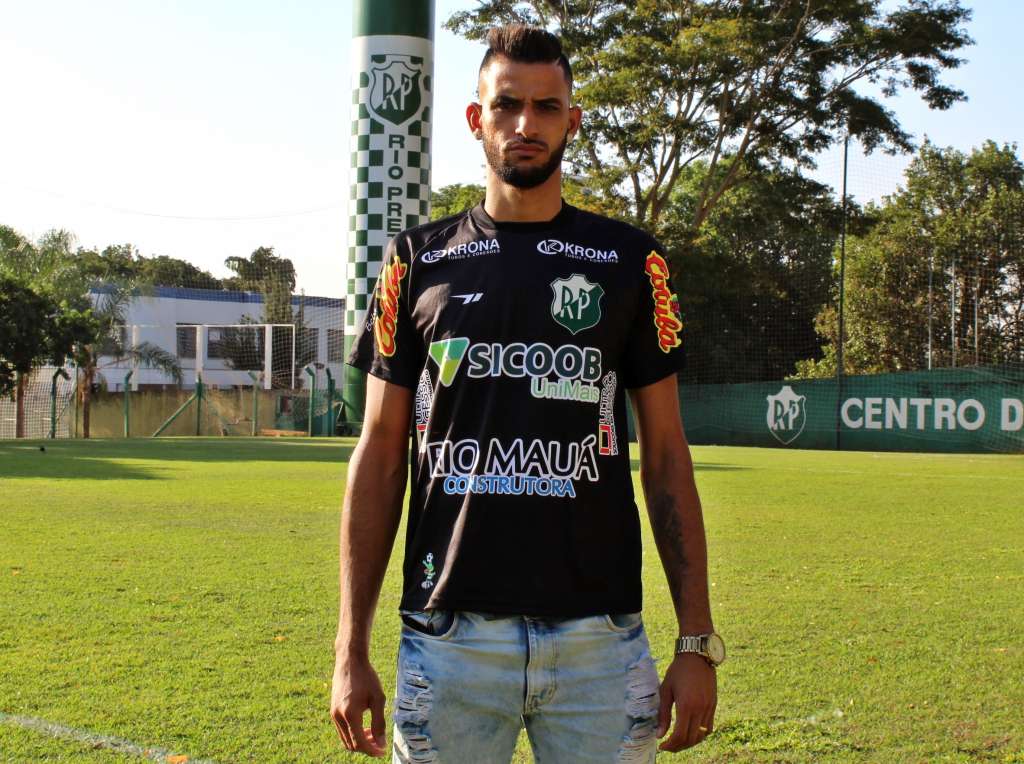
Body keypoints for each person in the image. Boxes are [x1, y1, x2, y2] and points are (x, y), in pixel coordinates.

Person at [331, 24, 722, 763]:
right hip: (449, 643)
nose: (525, 125)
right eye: (507, 105)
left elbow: (667, 457)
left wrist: (696, 640)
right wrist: (351, 648)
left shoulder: (629, 261)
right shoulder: (416, 261)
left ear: (572, 121)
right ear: (476, 119)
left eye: (547, 108)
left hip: (599, 645)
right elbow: (380, 453)